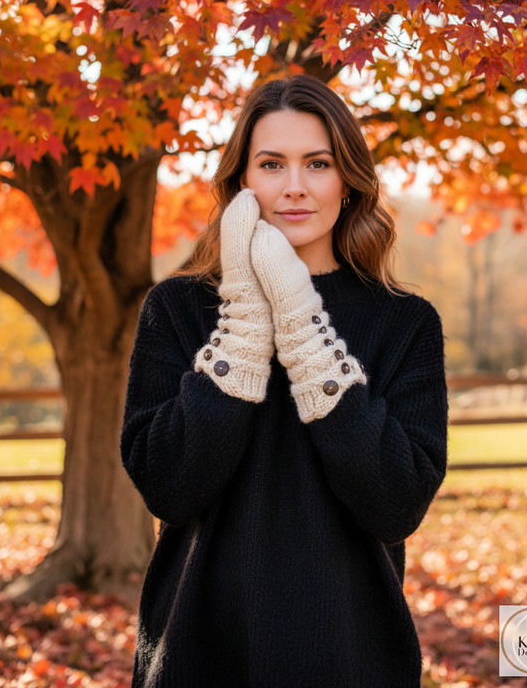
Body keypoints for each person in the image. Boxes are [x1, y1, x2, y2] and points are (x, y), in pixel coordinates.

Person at [121, 75, 448, 688]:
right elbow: (167, 487)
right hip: (198, 649)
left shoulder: (403, 323)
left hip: (349, 653)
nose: (294, 187)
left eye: (318, 164)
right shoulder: (178, 310)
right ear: (241, 182)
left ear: (347, 180)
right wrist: (245, 325)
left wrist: (304, 332)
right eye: (271, 164)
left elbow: (397, 504)